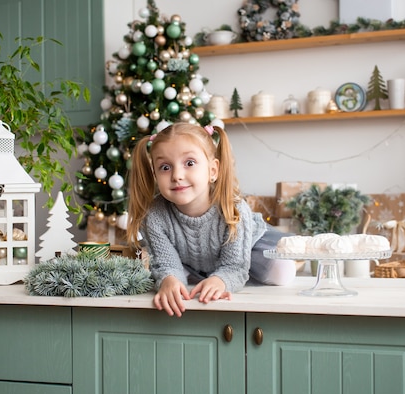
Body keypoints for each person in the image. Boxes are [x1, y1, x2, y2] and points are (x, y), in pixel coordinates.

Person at [127, 123, 296, 317]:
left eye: (189, 163)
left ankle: (215, 272)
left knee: (283, 271)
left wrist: (222, 280)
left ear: (213, 170)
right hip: (191, 257)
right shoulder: (155, 215)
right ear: (155, 174)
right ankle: (203, 271)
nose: (177, 176)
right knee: (177, 281)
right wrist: (170, 280)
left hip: (248, 246)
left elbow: (235, 266)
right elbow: (167, 264)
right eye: (165, 167)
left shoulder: (233, 209)